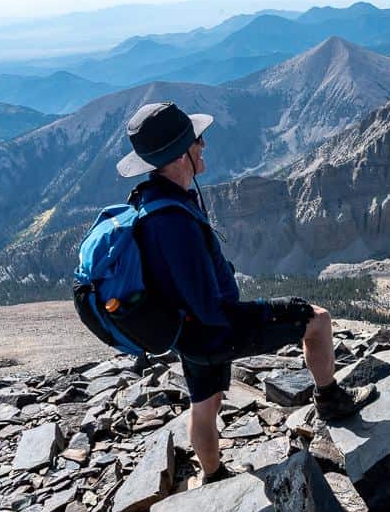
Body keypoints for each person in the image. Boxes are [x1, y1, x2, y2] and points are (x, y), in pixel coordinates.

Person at [115, 101, 376, 485]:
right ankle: (331, 402)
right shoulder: (173, 222)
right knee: (317, 320)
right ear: (179, 154)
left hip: (185, 333)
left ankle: (214, 476)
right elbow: (209, 304)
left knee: (205, 404)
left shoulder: (150, 200)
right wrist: (267, 310)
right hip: (212, 331)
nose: (203, 146)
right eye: (197, 140)